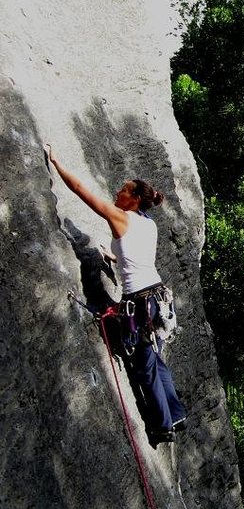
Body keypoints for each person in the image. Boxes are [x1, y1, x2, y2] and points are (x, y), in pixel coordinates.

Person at [46, 144, 187, 445]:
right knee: (156, 358)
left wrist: (57, 163)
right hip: (159, 298)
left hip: (141, 302)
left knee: (145, 364)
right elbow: (139, 257)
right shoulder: (149, 225)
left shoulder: (122, 217)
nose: (118, 192)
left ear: (135, 199)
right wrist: (114, 259)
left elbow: (83, 191)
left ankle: (163, 426)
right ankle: (175, 412)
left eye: (124, 190)